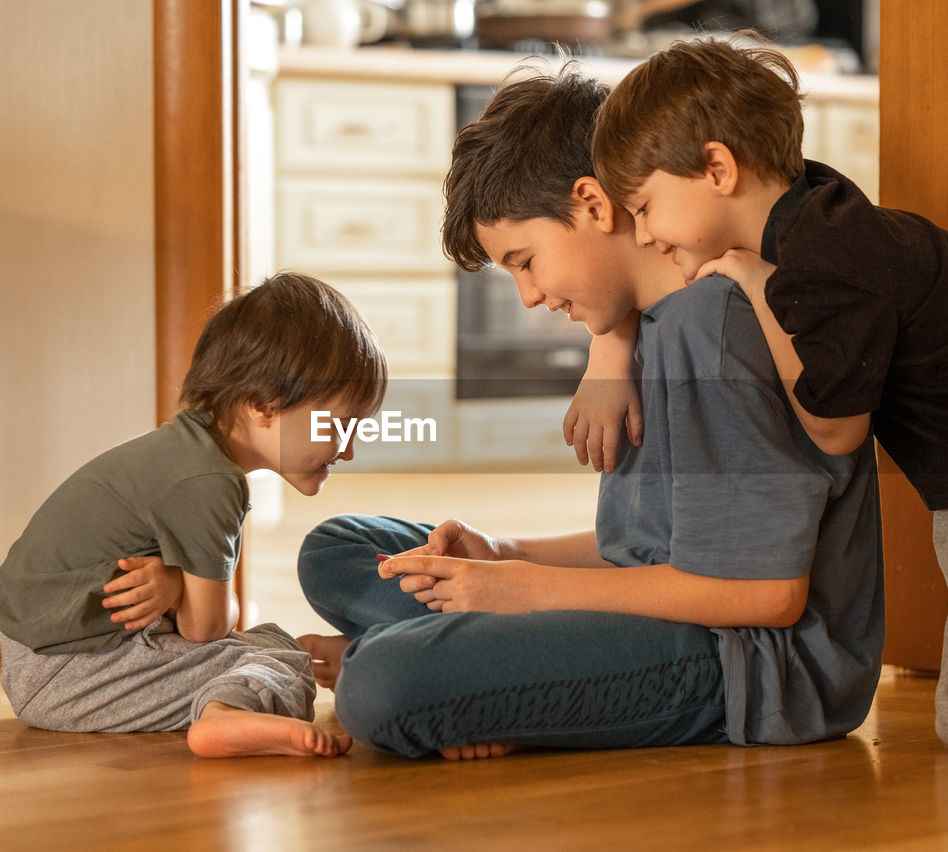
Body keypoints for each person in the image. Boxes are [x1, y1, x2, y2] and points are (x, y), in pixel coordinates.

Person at [296, 65, 884, 760]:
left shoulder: (711, 329)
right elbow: (650, 545)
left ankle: (434, 668)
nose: (529, 296)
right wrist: (506, 555)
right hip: (679, 614)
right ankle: (466, 673)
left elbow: (764, 592)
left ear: (592, 204)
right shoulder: (641, 324)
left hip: (749, 666)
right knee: (337, 550)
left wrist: (526, 593)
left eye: (527, 260)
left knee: (378, 684)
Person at [589, 36, 948, 753]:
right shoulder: (816, 211)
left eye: (646, 207)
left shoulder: (817, 264)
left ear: (717, 168)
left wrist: (752, 282)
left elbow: (836, 430)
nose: (644, 234)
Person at [0, 272, 387, 758]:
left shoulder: (186, 451)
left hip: (49, 660)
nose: (347, 450)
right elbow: (207, 627)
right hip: (69, 675)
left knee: (270, 643)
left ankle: (226, 709)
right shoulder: (209, 483)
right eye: (339, 425)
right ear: (264, 404)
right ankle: (225, 715)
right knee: (287, 659)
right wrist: (179, 588)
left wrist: (182, 593)